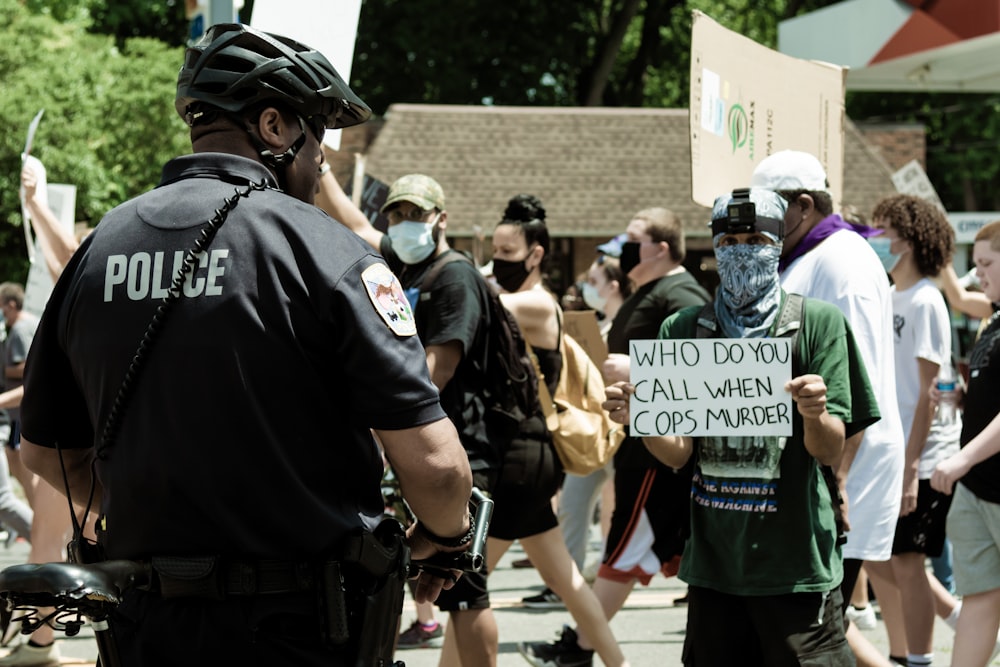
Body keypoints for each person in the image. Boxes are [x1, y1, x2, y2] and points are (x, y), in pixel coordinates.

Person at [17, 23, 473, 667]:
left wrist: (155, 524)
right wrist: (448, 540)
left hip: (147, 628)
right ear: (274, 126)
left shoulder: (98, 250)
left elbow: (45, 450)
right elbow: (437, 467)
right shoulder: (323, 247)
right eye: (318, 140)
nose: (321, 167)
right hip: (302, 631)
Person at [604, 186, 877, 664]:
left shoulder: (817, 323)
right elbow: (679, 452)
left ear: (778, 244)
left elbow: (830, 449)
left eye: (756, 238)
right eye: (728, 242)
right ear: (714, 248)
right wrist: (640, 421)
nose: (742, 250)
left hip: (796, 562)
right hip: (715, 564)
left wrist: (815, 414)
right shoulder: (684, 329)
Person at [519, 207, 709, 665]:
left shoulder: (682, 294)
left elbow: (705, 367)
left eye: (633, 239)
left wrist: (641, 368)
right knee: (653, 551)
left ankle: (581, 646)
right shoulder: (651, 292)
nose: (623, 248)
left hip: (657, 451)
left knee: (625, 550)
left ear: (661, 248)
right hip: (638, 442)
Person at [751, 150, 905, 667]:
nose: (761, 226)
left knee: (818, 622)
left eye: (770, 212)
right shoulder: (815, 256)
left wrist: (836, 478)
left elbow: (851, 388)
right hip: (818, 463)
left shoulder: (840, 261)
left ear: (802, 205)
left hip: (841, 464)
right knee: (821, 619)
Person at [487, 194, 628, 667]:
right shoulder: (513, 295)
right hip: (525, 456)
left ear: (536, 255)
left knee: (464, 585)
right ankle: (617, 662)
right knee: (565, 579)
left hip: (523, 458)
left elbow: (477, 295)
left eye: (506, 254)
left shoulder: (536, 304)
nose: (496, 262)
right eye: (494, 252)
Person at [862, 194, 960, 667]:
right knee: (873, 552)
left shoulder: (925, 301)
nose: (876, 239)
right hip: (886, 449)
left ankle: (918, 657)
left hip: (919, 454)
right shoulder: (884, 295)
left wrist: (911, 465)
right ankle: (900, 652)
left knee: (906, 560)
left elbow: (926, 392)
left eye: (884, 231)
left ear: (910, 239)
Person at [931, 219, 1000, 667]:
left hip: (977, 477)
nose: (978, 274)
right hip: (977, 488)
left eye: (986, 263)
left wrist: (961, 460)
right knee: (979, 596)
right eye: (974, 265)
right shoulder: (993, 318)